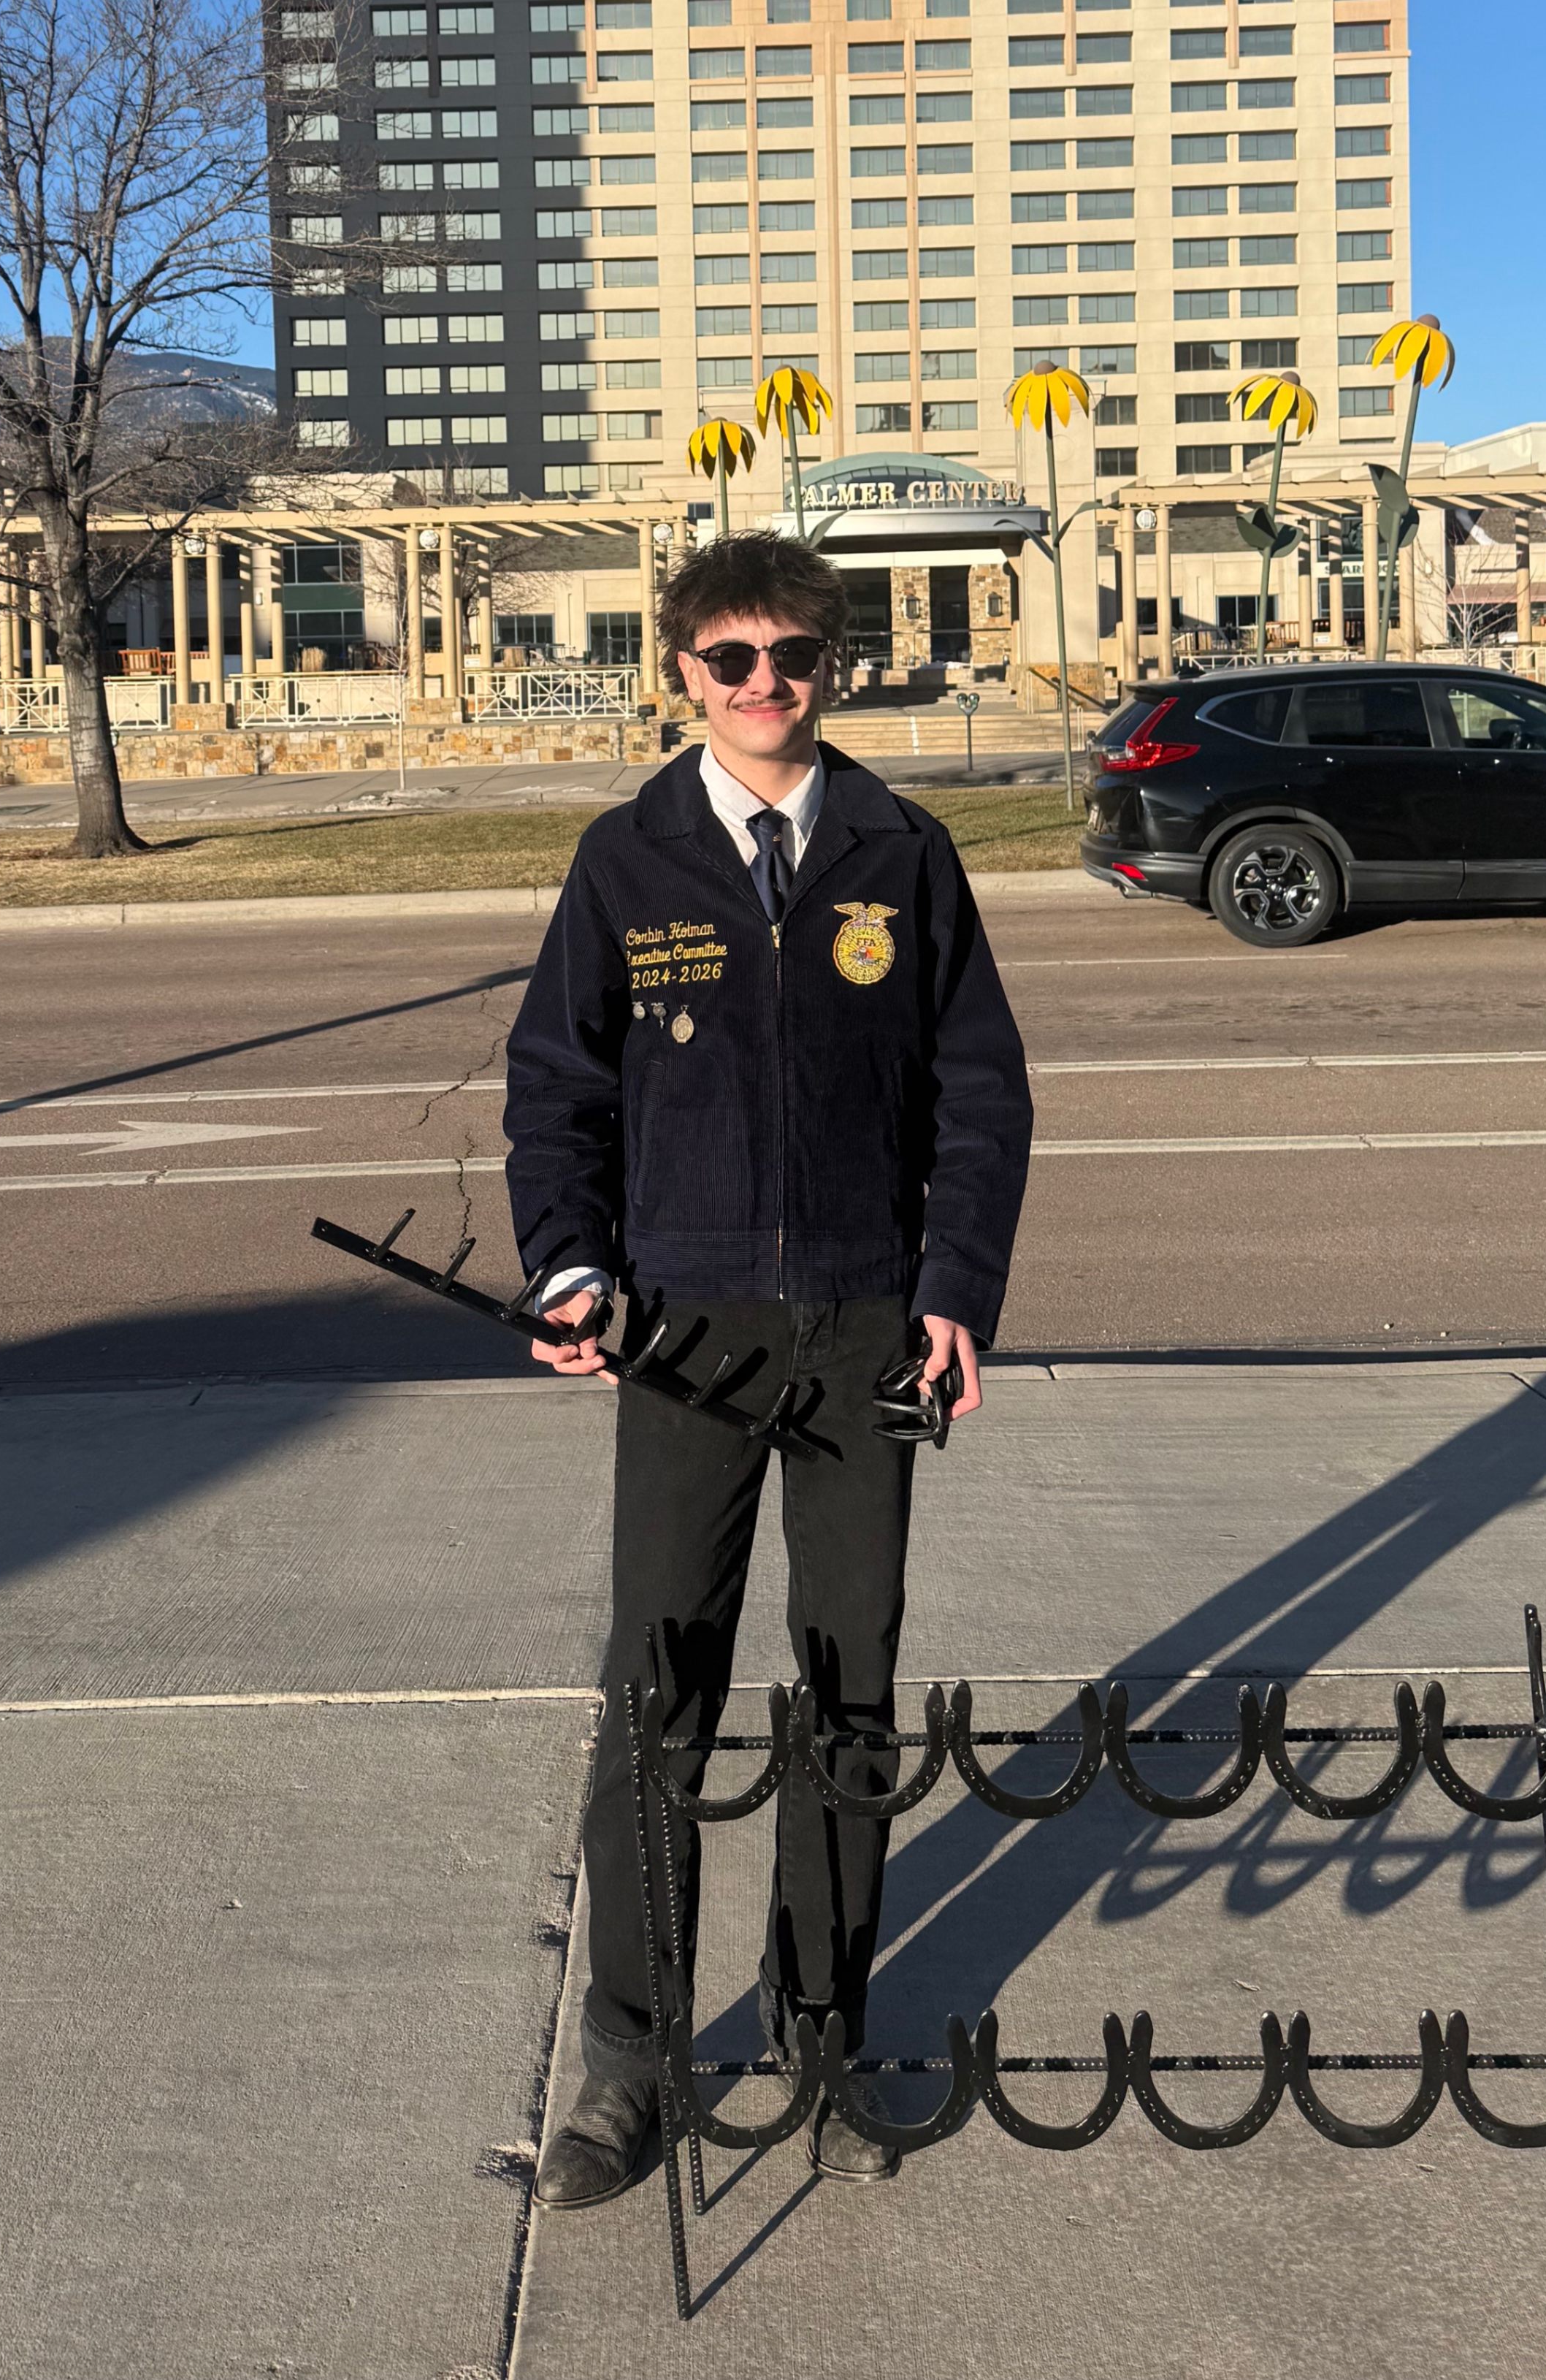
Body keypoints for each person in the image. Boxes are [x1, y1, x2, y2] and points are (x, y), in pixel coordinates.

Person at [506, 532, 1033, 2206]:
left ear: (834, 663)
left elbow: (983, 1096)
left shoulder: (904, 850)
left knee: (844, 1689)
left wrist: (955, 1290)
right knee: (657, 1686)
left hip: (869, 1329)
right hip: (686, 1330)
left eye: (793, 655)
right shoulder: (628, 859)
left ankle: (825, 2037)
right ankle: (633, 2062)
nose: (764, 685)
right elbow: (555, 1094)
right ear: (681, 671)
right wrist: (573, 1268)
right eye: (729, 658)